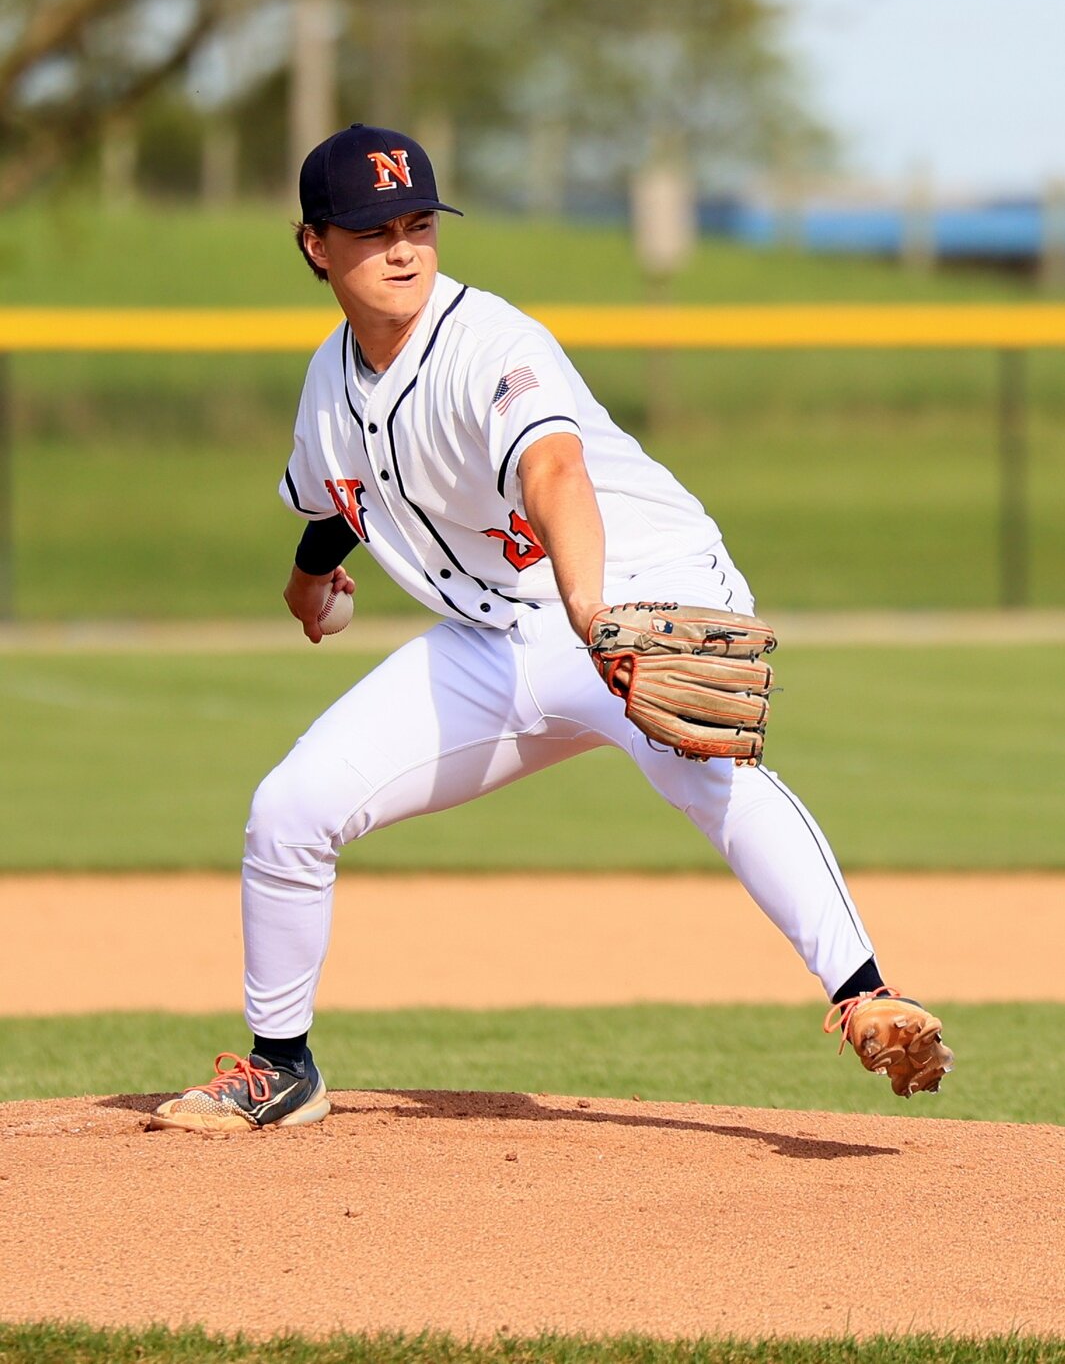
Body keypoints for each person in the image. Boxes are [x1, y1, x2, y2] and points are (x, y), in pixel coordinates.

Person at [150, 124, 951, 1132]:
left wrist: (595, 617)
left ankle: (867, 996)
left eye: (417, 225)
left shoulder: (493, 343)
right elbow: (335, 493)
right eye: (370, 230)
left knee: (711, 775)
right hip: (495, 638)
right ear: (316, 246)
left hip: (641, 591)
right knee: (290, 809)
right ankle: (281, 1064)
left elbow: (555, 470)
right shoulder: (329, 380)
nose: (402, 249)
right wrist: (312, 582)